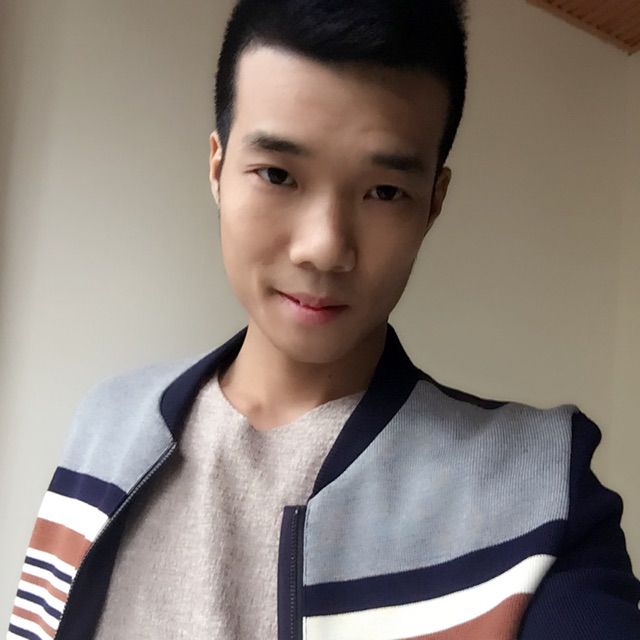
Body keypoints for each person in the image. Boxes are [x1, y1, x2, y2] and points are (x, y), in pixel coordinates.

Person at [7, 0, 640, 638]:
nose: (325, 248)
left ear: (433, 203)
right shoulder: (109, 422)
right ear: (218, 169)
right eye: (278, 174)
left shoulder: (538, 489)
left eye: (384, 192)